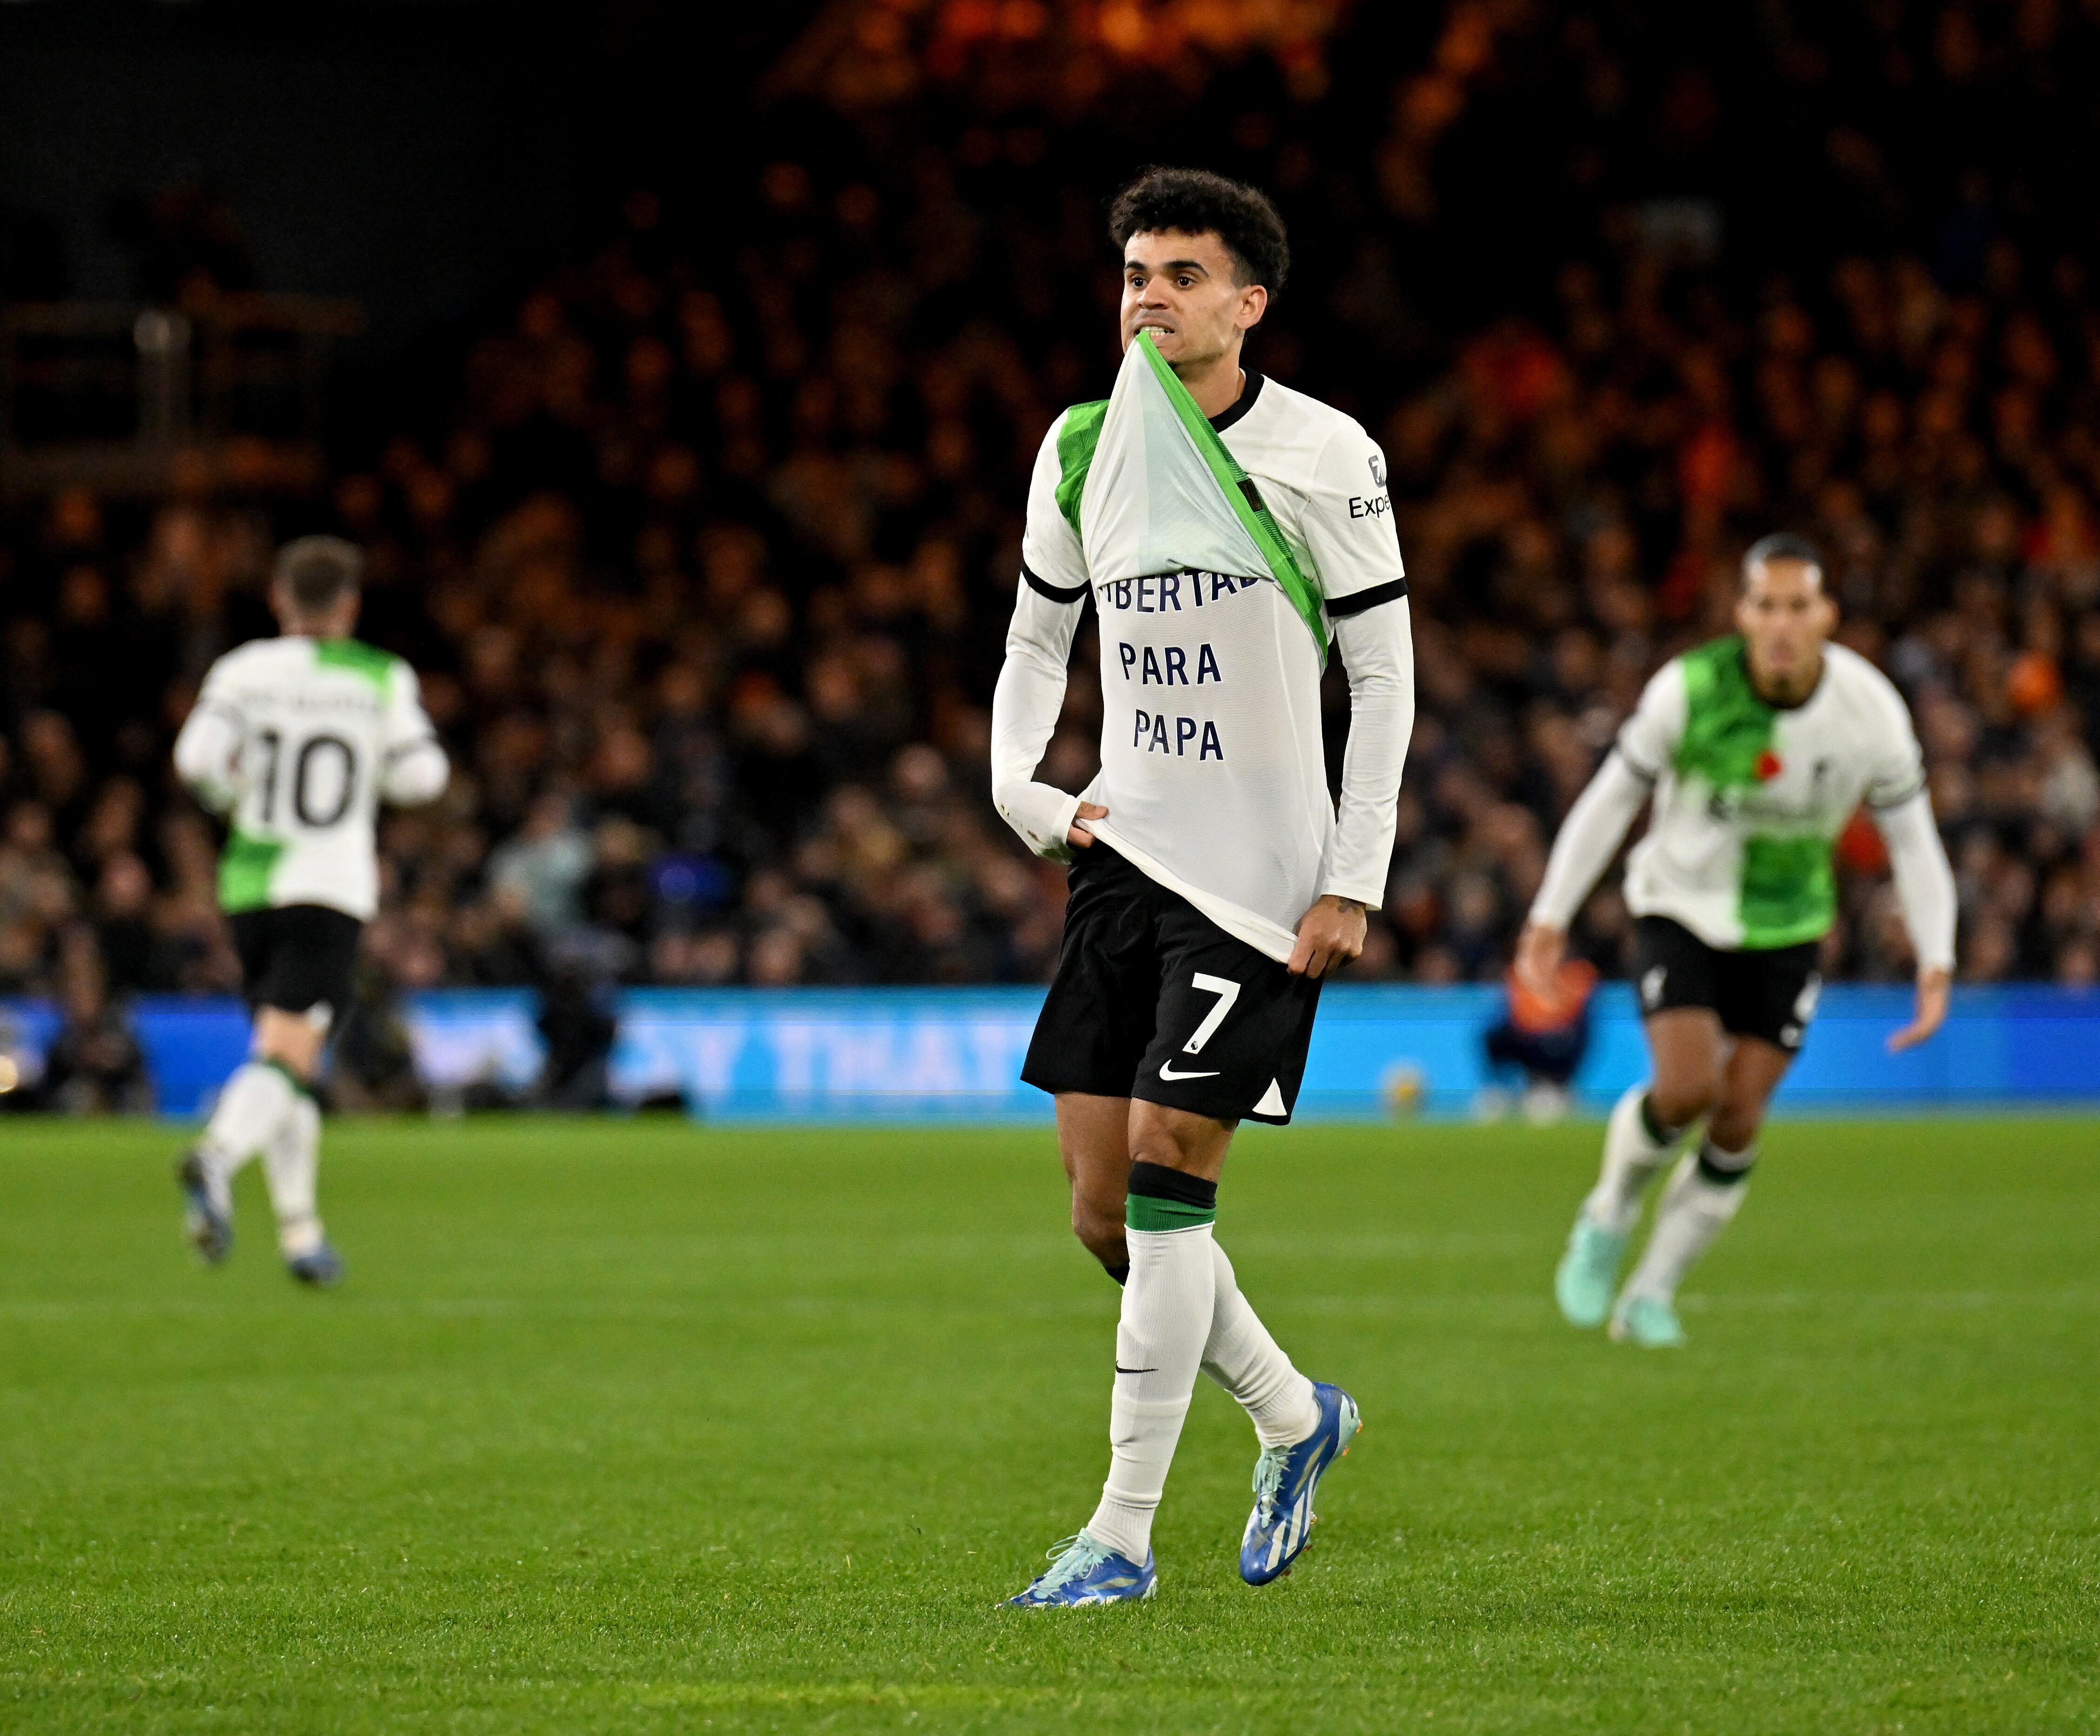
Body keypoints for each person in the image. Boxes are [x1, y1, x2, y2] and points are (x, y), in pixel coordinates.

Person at [989, 168, 1415, 1604]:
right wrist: (1019, 788)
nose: (1147, 297)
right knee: (1101, 1216)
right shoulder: (1078, 447)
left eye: (1179, 275)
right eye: (1132, 274)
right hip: (1124, 854)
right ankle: (1296, 1415)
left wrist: (1351, 877)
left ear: (1249, 303)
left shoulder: (1320, 450)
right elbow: (1034, 643)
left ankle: (1117, 1534)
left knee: (1175, 1170)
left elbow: (1382, 674)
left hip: (1257, 885)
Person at [1518, 534, 1956, 1347]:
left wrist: (1937, 960)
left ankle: (1650, 1293)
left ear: (1826, 614)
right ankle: (1607, 1212)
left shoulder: (1872, 715)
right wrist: (1549, 915)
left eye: (1798, 606)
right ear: (1742, 614)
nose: (1782, 623)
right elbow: (1611, 800)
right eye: (1766, 606)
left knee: (1738, 1115)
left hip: (1788, 927)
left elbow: (1913, 841)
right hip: (1678, 906)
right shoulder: (1687, 692)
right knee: (1686, 1088)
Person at [171, 536, 448, 1284]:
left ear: (279, 600)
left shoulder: (243, 670)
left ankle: (301, 1233)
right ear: (350, 605)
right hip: (328, 884)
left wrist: (237, 796)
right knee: (289, 1057)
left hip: (250, 885)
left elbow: (196, 760)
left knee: (290, 1053)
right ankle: (217, 1155)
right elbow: (424, 775)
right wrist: (381, 770)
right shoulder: (379, 676)